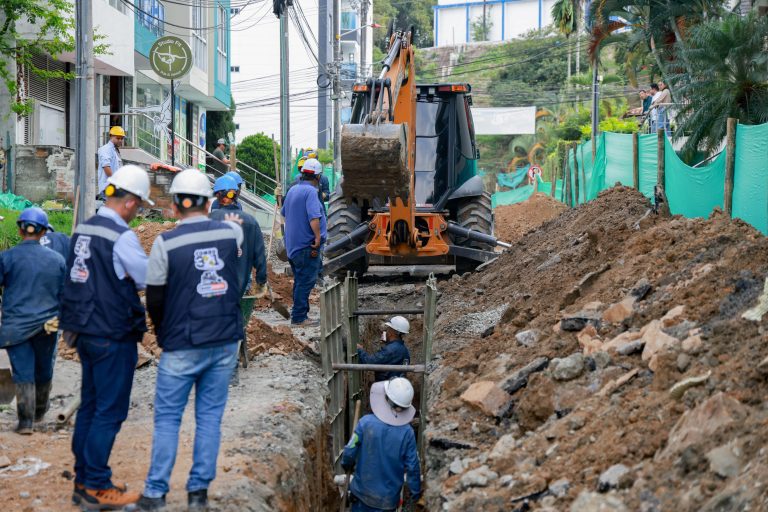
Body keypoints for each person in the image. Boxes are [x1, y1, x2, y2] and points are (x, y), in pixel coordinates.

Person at [136, 169, 244, 512]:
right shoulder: (232, 233)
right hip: (226, 339)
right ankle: (197, 494)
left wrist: (164, 334)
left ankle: (155, 494)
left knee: (168, 419)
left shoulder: (165, 245)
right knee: (209, 418)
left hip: (182, 342)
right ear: (208, 201)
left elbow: (155, 299)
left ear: (176, 206)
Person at [59, 164, 153, 509]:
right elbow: (145, 278)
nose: (138, 213)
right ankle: (97, 485)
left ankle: (84, 479)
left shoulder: (84, 229)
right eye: (139, 206)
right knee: (109, 412)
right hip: (111, 332)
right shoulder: (121, 236)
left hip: (83, 330)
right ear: (129, 203)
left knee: (91, 406)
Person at [0, 207, 66, 435]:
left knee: (23, 372)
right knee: (44, 369)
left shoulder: (6, 258)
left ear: (20, 230)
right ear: (43, 232)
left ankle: (26, 421)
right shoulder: (57, 260)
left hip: (15, 327)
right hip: (47, 326)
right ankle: (39, 411)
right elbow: (64, 295)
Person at [342, 377, 421, 511]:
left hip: (361, 495)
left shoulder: (365, 423)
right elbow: (413, 466)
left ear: (387, 398)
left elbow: (350, 450)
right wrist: (416, 493)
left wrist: (346, 463)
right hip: (387, 501)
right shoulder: (407, 433)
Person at [281, 158, 326, 326]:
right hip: (307, 246)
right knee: (306, 281)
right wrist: (317, 237)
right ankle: (299, 317)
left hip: (293, 247)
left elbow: (284, 213)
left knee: (300, 280)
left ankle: (301, 314)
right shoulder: (311, 193)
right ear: (318, 177)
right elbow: (314, 217)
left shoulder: (293, 190)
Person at [209, 174, 267, 297]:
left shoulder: (208, 221)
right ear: (236, 194)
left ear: (218, 195)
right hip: (238, 289)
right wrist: (261, 281)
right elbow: (260, 256)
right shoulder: (251, 222)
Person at [357, 316, 411, 382]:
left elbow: (369, 362)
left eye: (388, 329)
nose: (386, 331)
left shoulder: (391, 350)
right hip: (399, 387)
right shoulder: (404, 350)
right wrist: (388, 343)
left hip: (387, 388)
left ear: (392, 332)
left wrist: (360, 350)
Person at [97, 126, 125, 200]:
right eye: (118, 138)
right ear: (111, 136)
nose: (120, 140)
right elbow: (106, 167)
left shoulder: (115, 150)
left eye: (122, 138)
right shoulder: (105, 149)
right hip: (108, 189)